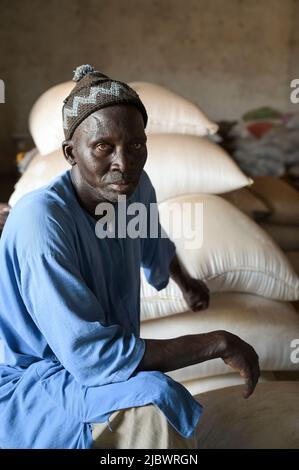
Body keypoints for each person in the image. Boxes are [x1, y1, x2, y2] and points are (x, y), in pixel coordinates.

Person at [0, 65, 259, 449]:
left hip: (94, 372)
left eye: (136, 145)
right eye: (104, 146)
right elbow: (91, 356)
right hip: (35, 386)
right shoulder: (43, 221)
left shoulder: (131, 191)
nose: (124, 161)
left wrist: (186, 283)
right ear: (71, 153)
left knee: (152, 394)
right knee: (152, 396)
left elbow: (153, 241)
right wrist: (217, 342)